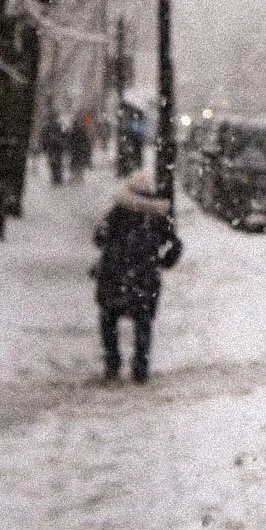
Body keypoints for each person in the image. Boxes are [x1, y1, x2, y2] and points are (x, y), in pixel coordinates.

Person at [93, 165, 182, 382]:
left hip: (115, 274)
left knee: (109, 318)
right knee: (143, 322)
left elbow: (99, 237)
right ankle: (140, 366)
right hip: (145, 277)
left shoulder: (118, 212)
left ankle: (112, 363)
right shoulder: (158, 216)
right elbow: (175, 245)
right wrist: (162, 262)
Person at [43, 110, 67, 186]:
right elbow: (63, 136)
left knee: (53, 164)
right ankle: (58, 179)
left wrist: (45, 148)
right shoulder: (59, 125)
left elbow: (44, 138)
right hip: (58, 148)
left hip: (51, 149)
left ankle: (55, 179)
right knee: (58, 163)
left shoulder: (47, 127)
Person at [68, 111, 94, 179]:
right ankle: (78, 177)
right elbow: (86, 142)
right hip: (79, 151)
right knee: (78, 165)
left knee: (75, 164)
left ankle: (76, 177)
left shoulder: (73, 132)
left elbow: (70, 142)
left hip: (75, 151)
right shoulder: (82, 132)